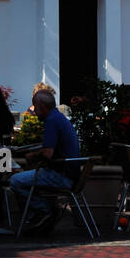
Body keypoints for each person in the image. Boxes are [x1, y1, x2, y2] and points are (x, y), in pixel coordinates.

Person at [10, 88, 80, 231]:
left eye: (35, 106)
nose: (34, 110)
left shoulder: (51, 121)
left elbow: (47, 154)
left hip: (62, 176)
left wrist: (32, 155)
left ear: (41, 106)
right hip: (71, 174)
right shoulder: (59, 118)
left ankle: (43, 211)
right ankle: (43, 215)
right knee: (28, 177)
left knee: (15, 180)